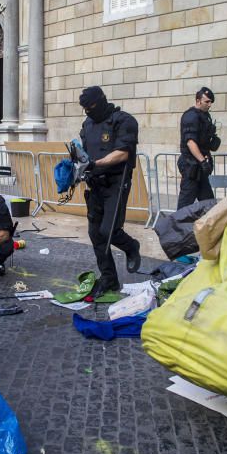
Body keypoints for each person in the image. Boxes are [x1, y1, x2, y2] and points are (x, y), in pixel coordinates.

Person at [78, 85, 141, 299]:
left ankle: (131, 246)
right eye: (85, 108)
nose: (89, 111)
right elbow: (84, 155)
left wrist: (95, 165)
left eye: (92, 106)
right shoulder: (87, 125)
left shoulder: (124, 120)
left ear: (102, 100)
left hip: (116, 182)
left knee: (109, 230)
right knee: (95, 234)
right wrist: (76, 168)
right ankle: (109, 278)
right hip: (94, 184)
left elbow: (122, 154)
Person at [177, 87, 220, 208]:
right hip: (191, 165)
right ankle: (176, 226)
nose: (210, 104)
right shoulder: (191, 116)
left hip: (200, 167)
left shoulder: (205, 116)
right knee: (185, 204)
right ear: (198, 101)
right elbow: (190, 142)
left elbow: (203, 141)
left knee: (209, 203)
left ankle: (210, 226)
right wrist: (202, 161)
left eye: (211, 102)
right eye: (207, 101)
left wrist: (213, 141)